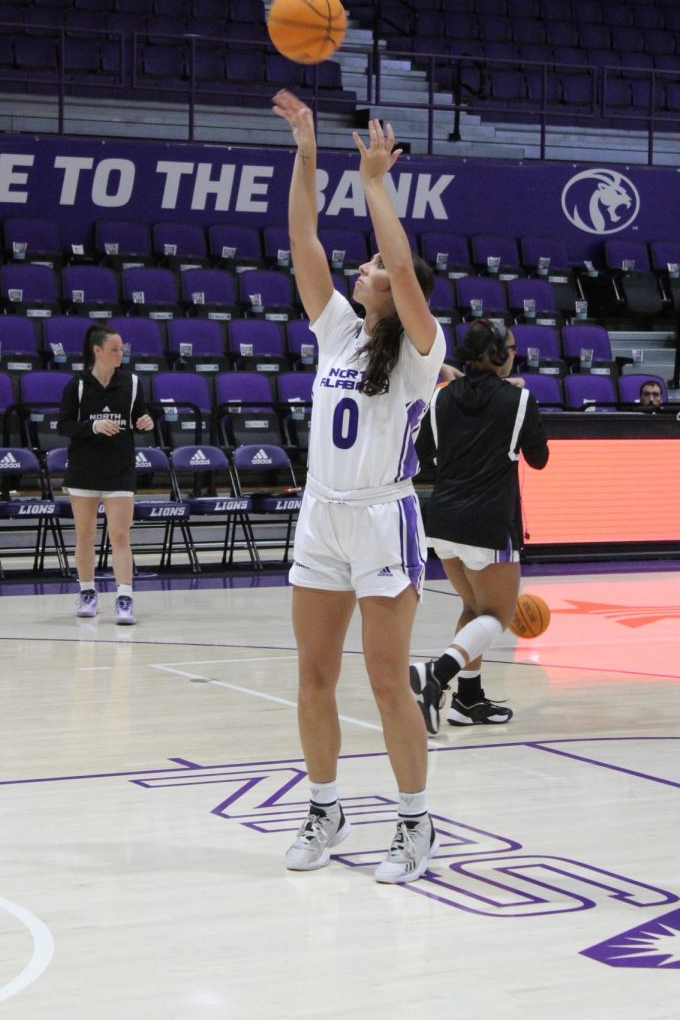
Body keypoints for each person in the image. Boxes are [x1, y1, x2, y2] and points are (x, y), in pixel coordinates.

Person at [272, 90, 447, 885]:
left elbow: (404, 264)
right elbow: (301, 233)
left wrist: (376, 182)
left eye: (370, 268)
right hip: (323, 515)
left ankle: (415, 825)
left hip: (384, 518)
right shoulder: (338, 328)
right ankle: (325, 806)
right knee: (313, 676)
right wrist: (307, 150)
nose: (364, 269)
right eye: (367, 266)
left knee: (384, 679)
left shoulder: (418, 347)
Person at [410, 319, 549, 732]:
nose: (514, 354)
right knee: (499, 616)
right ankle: (438, 673)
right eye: (510, 347)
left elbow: (423, 455)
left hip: (444, 521)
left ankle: (467, 702)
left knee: (473, 609)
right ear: (498, 355)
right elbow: (538, 459)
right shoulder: (518, 400)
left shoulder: (441, 399)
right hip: (489, 523)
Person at [57, 323, 154, 625]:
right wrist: (93, 427)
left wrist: (146, 420)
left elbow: (140, 414)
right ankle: (87, 592)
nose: (120, 353)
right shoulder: (78, 385)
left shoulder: (133, 383)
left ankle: (124, 598)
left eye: (122, 348)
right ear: (97, 351)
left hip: (119, 469)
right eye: (114, 349)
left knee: (120, 535)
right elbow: (63, 425)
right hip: (84, 469)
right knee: (85, 535)